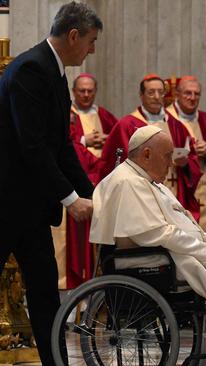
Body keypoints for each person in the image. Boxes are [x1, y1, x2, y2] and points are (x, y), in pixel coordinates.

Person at [90, 126, 206, 365]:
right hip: (154, 259)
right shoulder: (128, 183)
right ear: (146, 154)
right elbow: (159, 233)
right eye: (167, 156)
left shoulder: (149, 181)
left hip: (173, 253)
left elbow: (187, 223)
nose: (171, 163)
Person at [0, 2, 101, 363]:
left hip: (28, 208)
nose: (91, 50)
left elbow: (61, 147)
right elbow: (32, 146)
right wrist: (70, 198)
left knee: (44, 292)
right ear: (73, 35)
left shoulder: (54, 73)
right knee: (43, 290)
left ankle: (55, 361)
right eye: (90, 41)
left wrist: (93, 194)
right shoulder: (31, 68)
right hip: (6, 202)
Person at [100, 73, 201, 213]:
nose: (157, 96)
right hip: (140, 196)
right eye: (151, 92)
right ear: (141, 95)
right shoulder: (127, 125)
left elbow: (193, 160)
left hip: (173, 192)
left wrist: (185, 164)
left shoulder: (176, 125)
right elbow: (117, 164)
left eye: (160, 92)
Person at [65, 72, 118, 288]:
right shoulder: (67, 114)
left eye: (90, 91)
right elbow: (62, 144)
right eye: (81, 91)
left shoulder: (105, 116)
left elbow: (118, 144)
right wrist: (84, 140)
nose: (86, 95)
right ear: (73, 92)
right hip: (75, 186)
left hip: (101, 183)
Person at [166, 75, 206, 235]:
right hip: (176, 183)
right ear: (177, 95)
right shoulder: (166, 118)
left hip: (203, 188)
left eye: (196, 94)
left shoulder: (205, 119)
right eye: (188, 93)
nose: (192, 98)